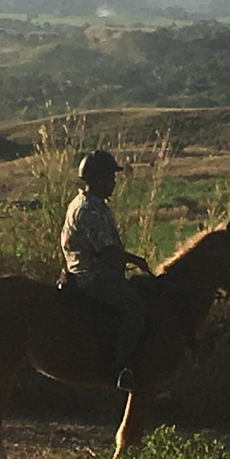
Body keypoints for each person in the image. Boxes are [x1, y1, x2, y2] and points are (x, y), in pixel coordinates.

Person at [60, 149, 152, 392]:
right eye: (109, 178)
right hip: (92, 276)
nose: (113, 182)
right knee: (136, 309)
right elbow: (107, 251)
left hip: (99, 272)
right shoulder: (88, 209)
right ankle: (120, 368)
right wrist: (138, 261)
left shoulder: (95, 205)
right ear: (97, 179)